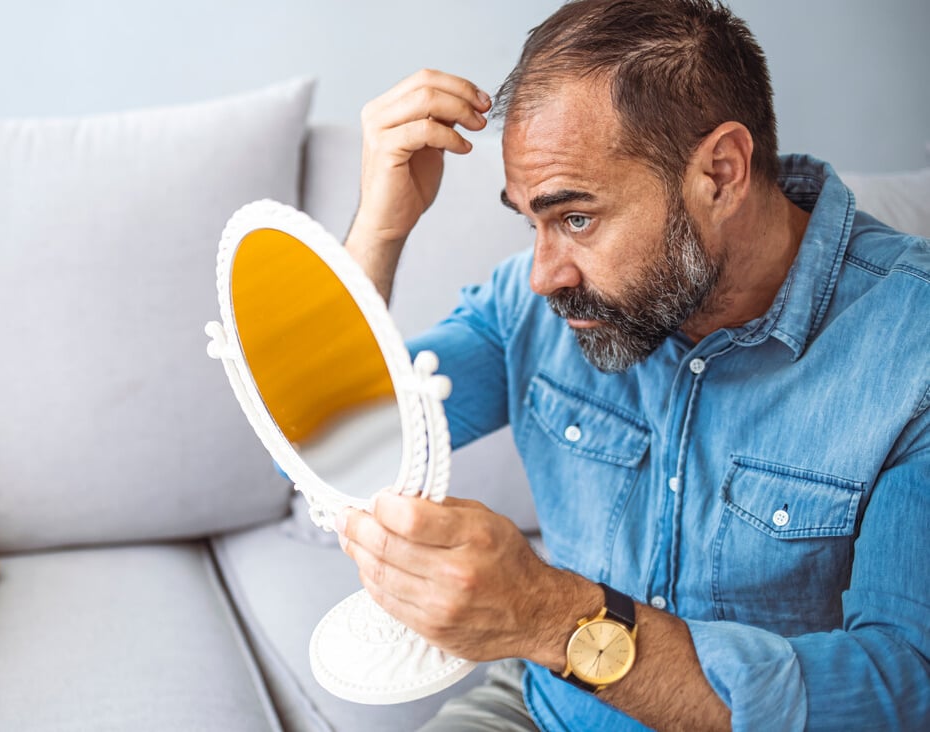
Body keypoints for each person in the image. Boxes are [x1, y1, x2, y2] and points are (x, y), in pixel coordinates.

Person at [335, 1, 930, 730]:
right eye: (532, 222)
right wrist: (377, 230)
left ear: (720, 172)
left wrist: (552, 618)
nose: (542, 275)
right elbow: (333, 451)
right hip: (545, 711)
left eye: (576, 217)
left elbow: (900, 691)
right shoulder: (532, 311)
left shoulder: (913, 352)